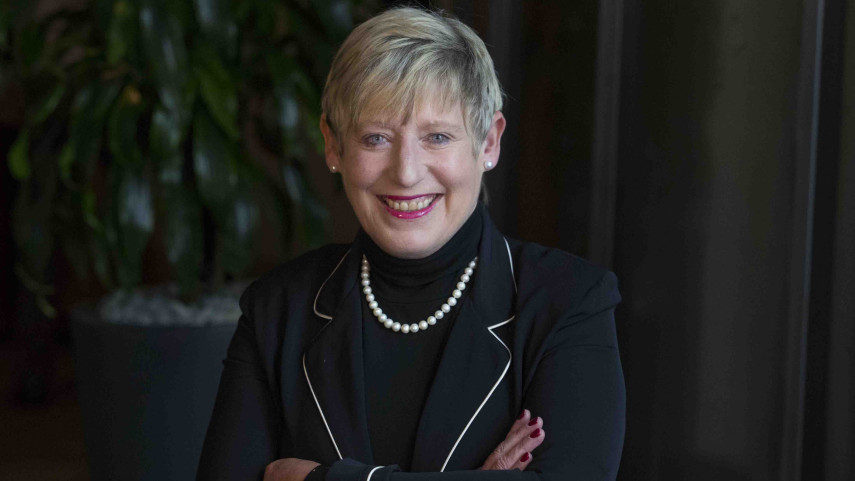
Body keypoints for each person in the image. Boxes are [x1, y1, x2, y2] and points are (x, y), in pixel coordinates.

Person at [197, 6, 624, 481]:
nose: (406, 172)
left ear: (488, 143)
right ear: (333, 145)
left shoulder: (569, 303)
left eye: (437, 137)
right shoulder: (276, 310)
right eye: (376, 138)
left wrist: (325, 478)